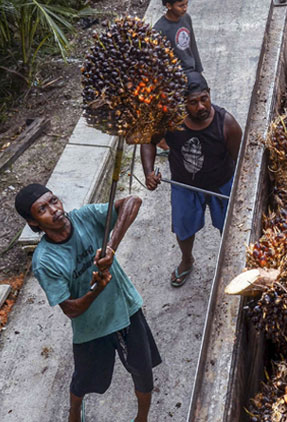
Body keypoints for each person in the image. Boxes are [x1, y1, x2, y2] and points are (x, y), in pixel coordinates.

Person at [14, 184, 161, 422]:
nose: (55, 210)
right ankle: (75, 411)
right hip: (92, 328)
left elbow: (132, 201)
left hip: (125, 308)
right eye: (43, 209)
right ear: (34, 223)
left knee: (143, 373)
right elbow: (70, 309)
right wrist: (97, 289)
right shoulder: (45, 261)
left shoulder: (84, 217)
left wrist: (111, 246)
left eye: (54, 200)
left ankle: (141, 418)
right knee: (83, 380)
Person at [141, 72, 242, 287]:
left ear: (209, 94)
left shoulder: (227, 124)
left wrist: (238, 191)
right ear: (182, 104)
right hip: (184, 186)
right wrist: (149, 171)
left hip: (221, 184)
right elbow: (148, 141)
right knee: (183, 228)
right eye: (193, 103)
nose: (201, 107)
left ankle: (231, 263)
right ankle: (187, 260)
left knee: (230, 228)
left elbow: (243, 162)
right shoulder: (171, 122)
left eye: (204, 99)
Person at [153, 0, 203, 75]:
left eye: (186, 4)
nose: (185, 8)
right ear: (169, 6)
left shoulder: (186, 18)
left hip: (191, 70)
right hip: (176, 74)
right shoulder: (159, 29)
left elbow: (192, 45)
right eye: (181, 6)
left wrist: (199, 70)